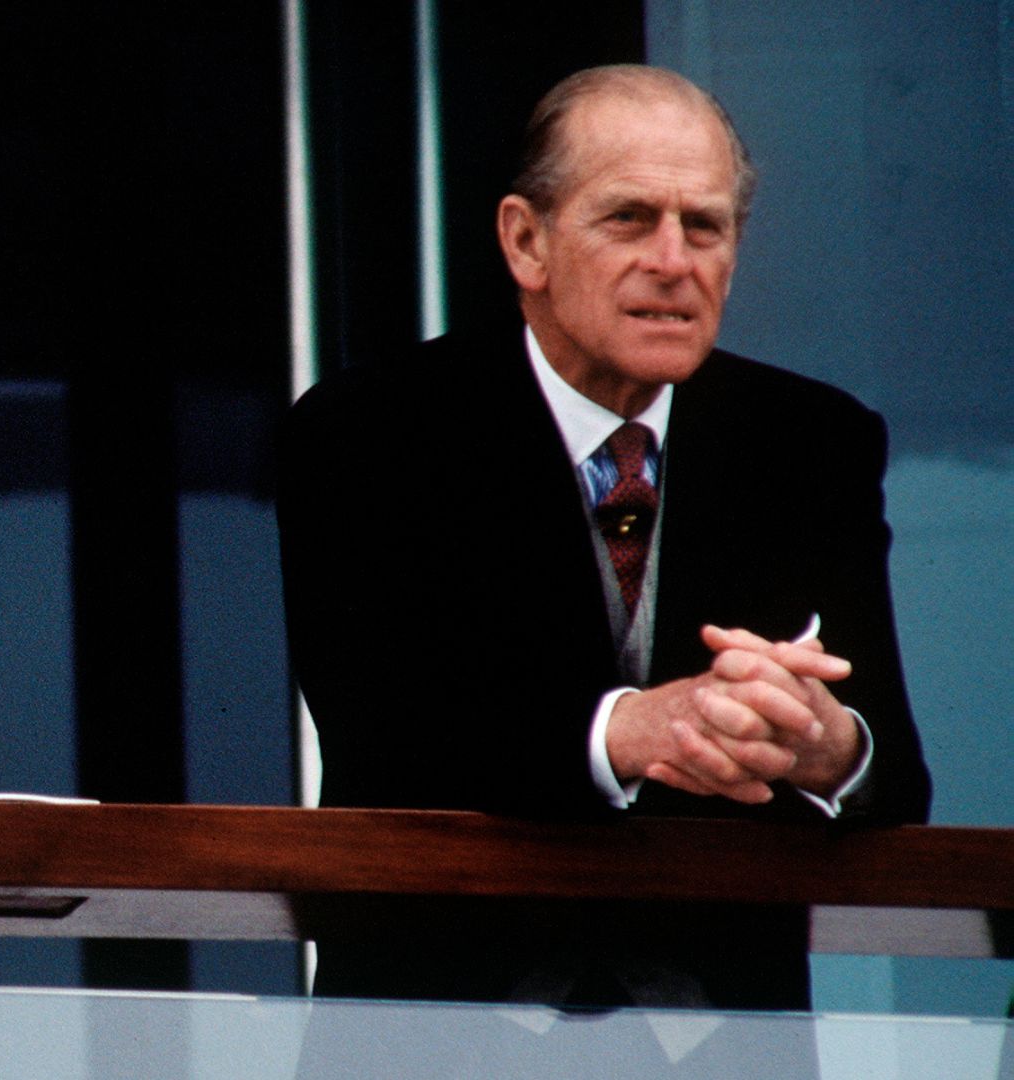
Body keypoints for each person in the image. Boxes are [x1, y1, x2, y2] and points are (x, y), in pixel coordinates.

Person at [276, 65, 931, 1011]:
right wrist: (629, 730)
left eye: (704, 226)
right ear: (525, 241)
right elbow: (385, 735)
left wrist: (826, 748)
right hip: (436, 1034)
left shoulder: (812, 442)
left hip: (725, 1044)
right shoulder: (367, 431)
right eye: (630, 219)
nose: (674, 260)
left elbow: (895, 775)